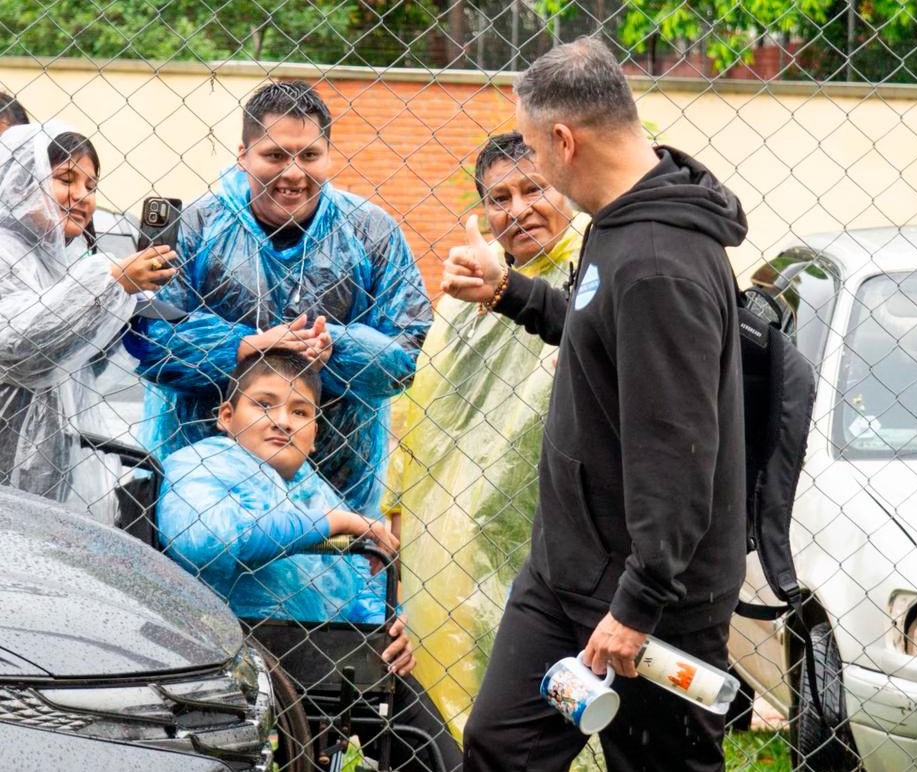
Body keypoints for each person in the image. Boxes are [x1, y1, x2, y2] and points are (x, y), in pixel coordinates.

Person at [441, 38, 748, 772]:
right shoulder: (621, 223)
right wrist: (509, 291)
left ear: (563, 140)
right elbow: (598, 332)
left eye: (534, 154)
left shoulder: (656, 266)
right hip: (569, 567)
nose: (534, 173)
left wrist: (637, 608)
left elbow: (680, 453)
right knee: (501, 744)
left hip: (649, 595)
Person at [132, 80, 432, 520]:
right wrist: (249, 346)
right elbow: (150, 338)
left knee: (326, 583)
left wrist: (336, 348)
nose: (293, 173)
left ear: (329, 154)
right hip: (206, 484)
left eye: (309, 155)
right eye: (275, 155)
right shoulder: (198, 225)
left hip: (336, 480)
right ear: (243, 154)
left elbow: (412, 351)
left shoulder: (370, 231)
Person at [157, 348, 462, 771]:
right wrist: (332, 522)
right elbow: (205, 540)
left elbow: (358, 582)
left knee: (429, 737)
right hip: (236, 646)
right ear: (226, 416)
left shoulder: (311, 486)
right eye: (264, 404)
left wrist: (389, 627)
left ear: (315, 432)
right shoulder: (199, 465)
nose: (283, 421)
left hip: (326, 656)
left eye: (300, 412)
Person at [384, 131, 585, 737]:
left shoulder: (592, 271)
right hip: (456, 521)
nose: (518, 209)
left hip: (556, 522)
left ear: (566, 187)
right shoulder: (465, 292)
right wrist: (397, 504)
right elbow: (421, 405)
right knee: (462, 667)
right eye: (499, 197)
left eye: (533, 188)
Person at [0, 122, 176, 521]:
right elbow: (16, 344)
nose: (81, 196)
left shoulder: (63, 263)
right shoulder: (6, 250)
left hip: (47, 470)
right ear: (20, 180)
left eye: (91, 186)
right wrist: (109, 281)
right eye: (65, 179)